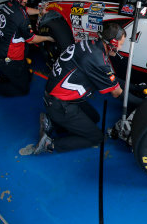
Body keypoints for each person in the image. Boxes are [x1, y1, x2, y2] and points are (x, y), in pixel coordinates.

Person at [32, 23, 127, 155]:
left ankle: (52, 121)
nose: (121, 48)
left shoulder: (91, 44)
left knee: (94, 117)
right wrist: (141, 100)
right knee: (97, 138)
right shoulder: (97, 59)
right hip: (60, 104)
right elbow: (117, 93)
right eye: (121, 44)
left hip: (58, 97)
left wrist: (134, 87)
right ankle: (50, 144)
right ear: (113, 43)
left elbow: (111, 78)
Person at [0, 0, 54, 103]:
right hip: (10, 58)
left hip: (2, 50)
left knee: (28, 76)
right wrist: (48, 38)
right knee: (23, 89)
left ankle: (0, 77)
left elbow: (25, 10)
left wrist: (39, 12)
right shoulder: (21, 18)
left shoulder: (9, 5)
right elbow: (32, 39)